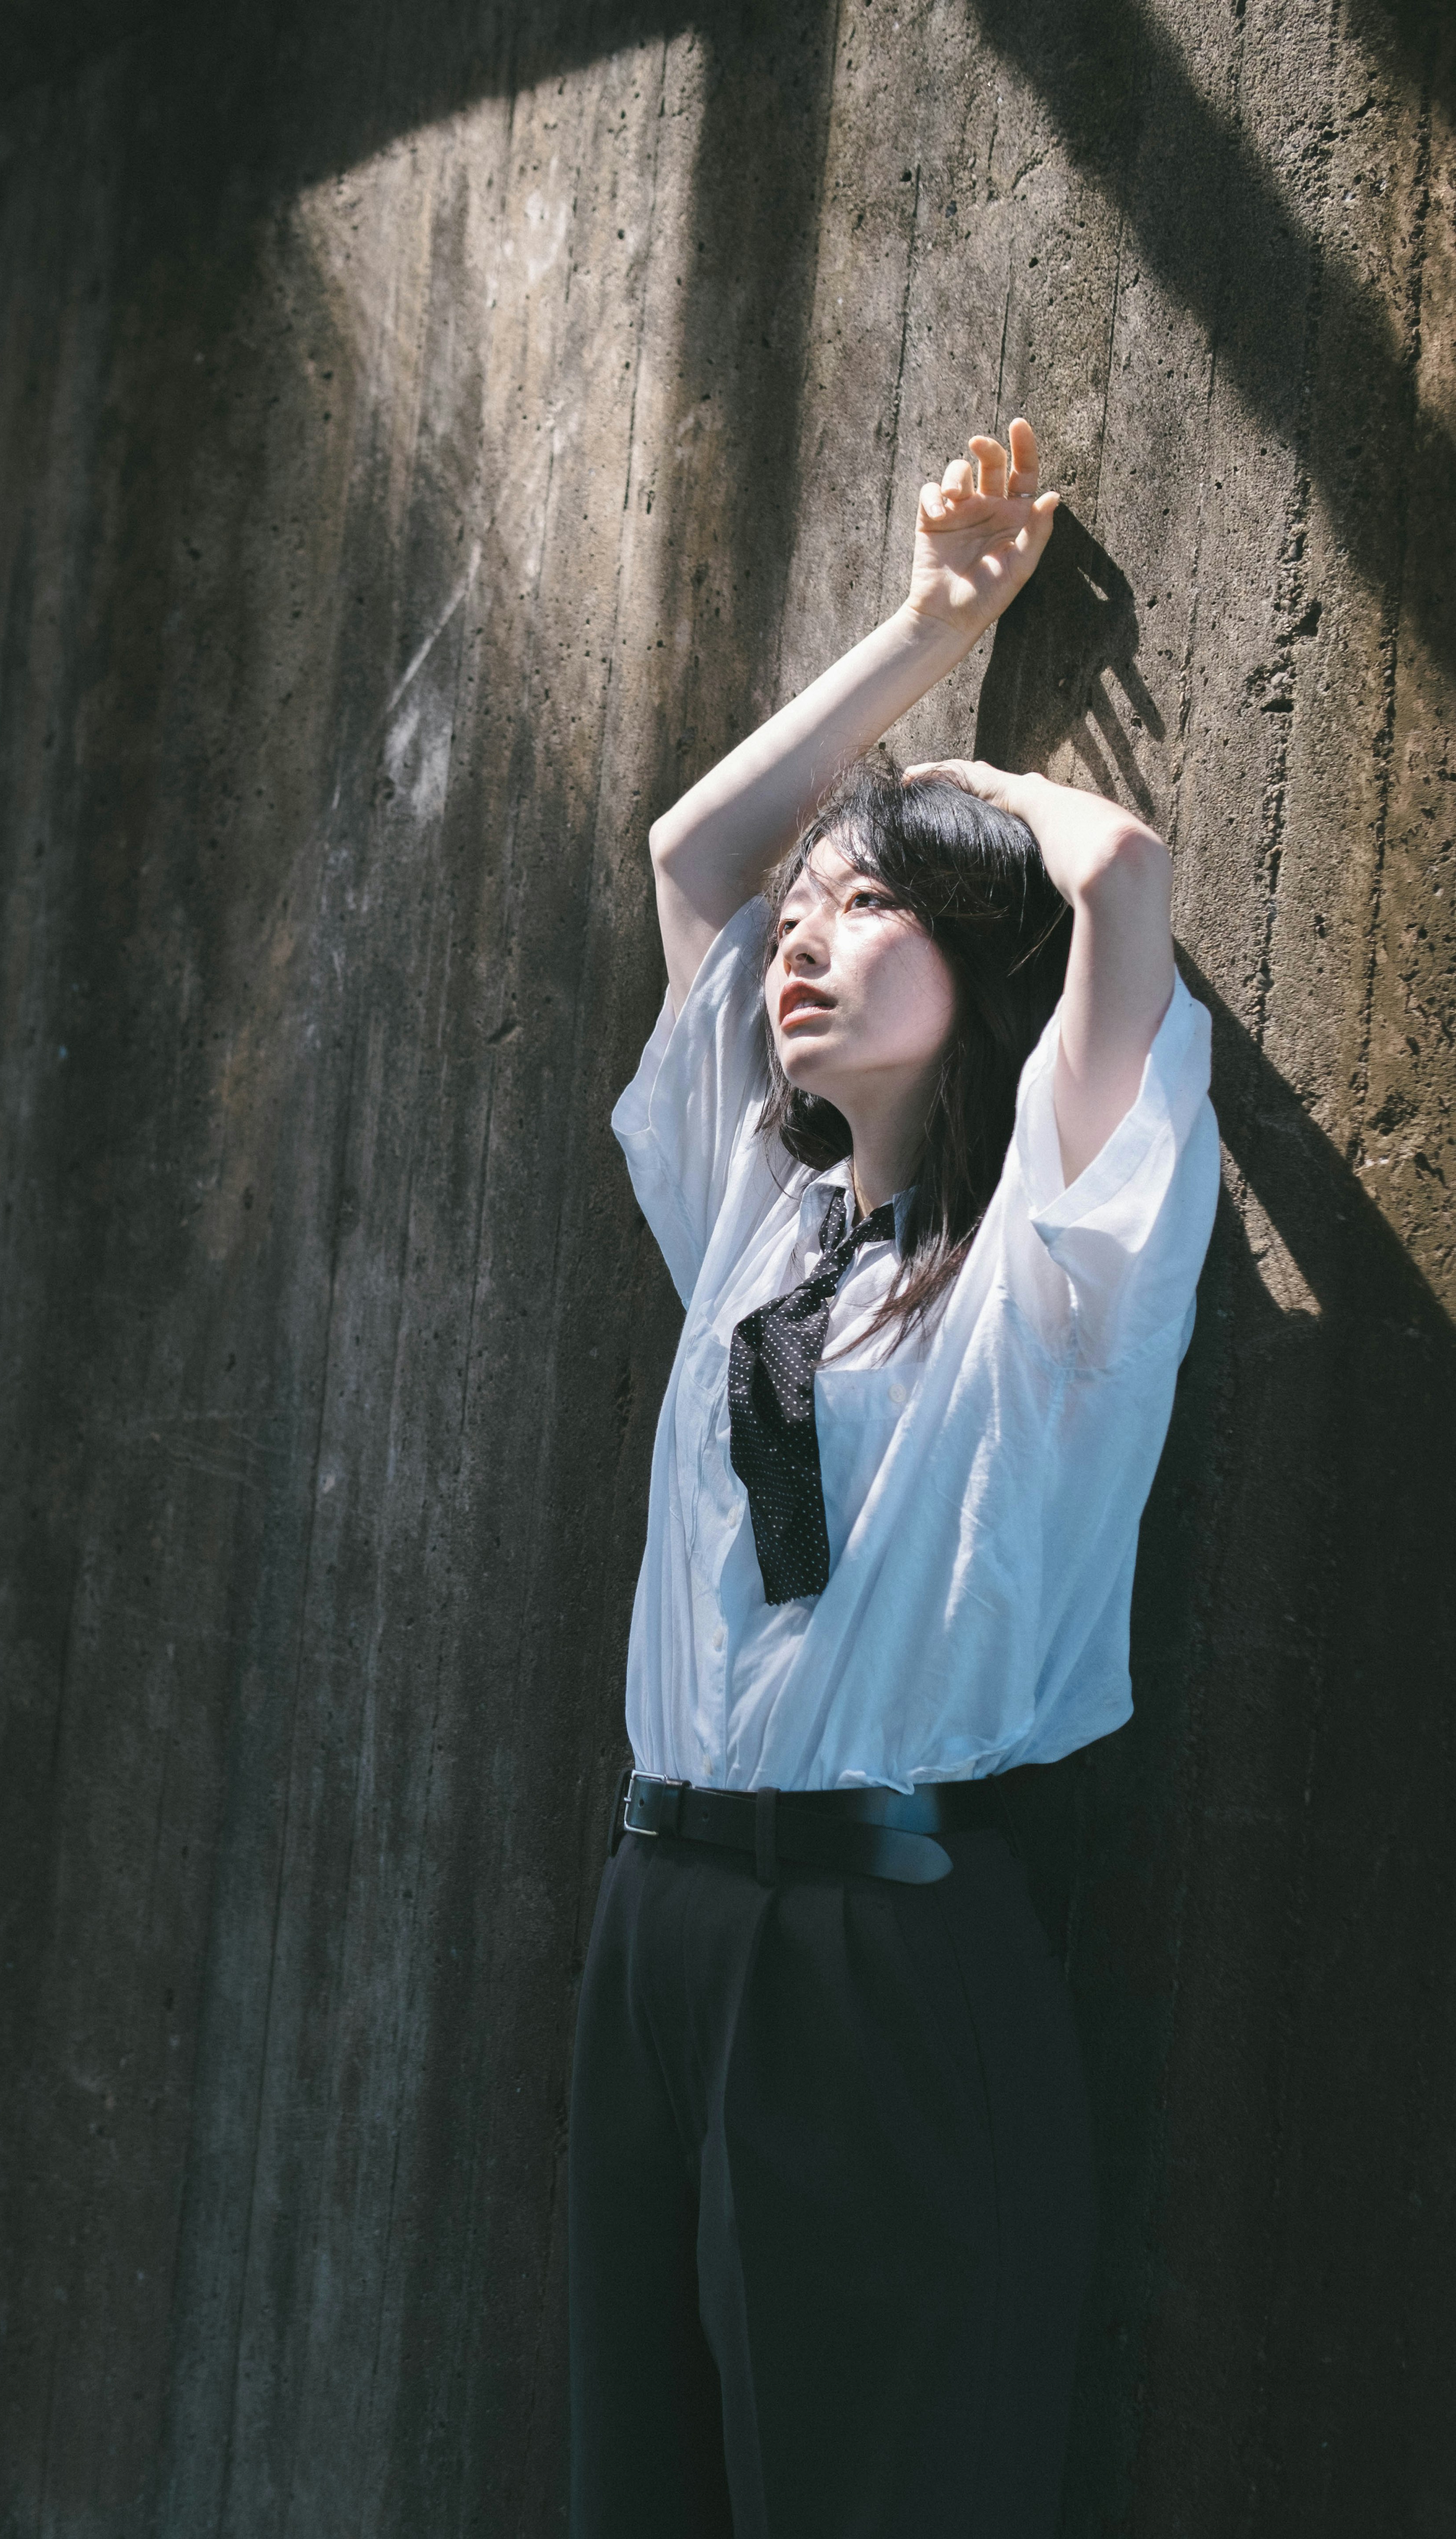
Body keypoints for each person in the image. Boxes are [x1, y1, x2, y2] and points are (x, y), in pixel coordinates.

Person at [569, 419, 1220, 2539]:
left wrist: (963, 812)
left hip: (887, 1944)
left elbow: (1118, 872)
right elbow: (691, 854)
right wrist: (941, 626)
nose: (803, 939)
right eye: (814, 916)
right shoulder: (760, 1216)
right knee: (645, 2475)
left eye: (875, 916)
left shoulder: (1054, 1272)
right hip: (661, 1920)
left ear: (979, 968)